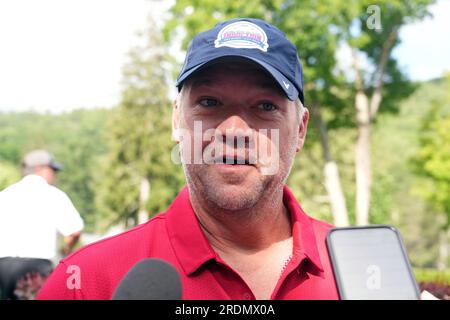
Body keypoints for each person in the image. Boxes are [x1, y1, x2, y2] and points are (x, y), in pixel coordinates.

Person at [37, 18, 338, 300]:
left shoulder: (358, 270)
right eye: (209, 102)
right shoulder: (86, 282)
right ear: (176, 119)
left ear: (300, 130)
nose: (234, 130)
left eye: (265, 106)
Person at [0, 149, 84, 299]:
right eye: (53, 170)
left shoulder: (5, 194)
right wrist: (66, 249)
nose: (54, 175)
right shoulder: (53, 194)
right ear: (40, 169)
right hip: (35, 267)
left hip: (4, 267)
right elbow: (75, 231)